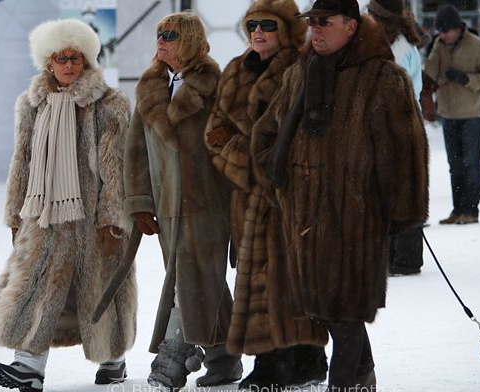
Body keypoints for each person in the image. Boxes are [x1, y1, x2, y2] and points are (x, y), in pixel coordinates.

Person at [252, 0, 429, 389]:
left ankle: (345, 382)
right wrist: (281, 180)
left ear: (351, 26)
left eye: (324, 23)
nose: (315, 30)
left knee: (345, 310)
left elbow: (406, 152)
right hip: (303, 219)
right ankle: (364, 373)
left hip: (356, 218)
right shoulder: (301, 73)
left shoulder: (383, 77)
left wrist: (402, 214)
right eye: (312, 23)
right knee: (328, 311)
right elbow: (267, 133)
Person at [0, 19, 134, 392]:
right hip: (43, 217)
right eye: (61, 57)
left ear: (87, 61)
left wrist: (112, 220)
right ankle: (28, 367)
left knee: (97, 291)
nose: (69, 64)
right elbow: (22, 161)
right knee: (37, 287)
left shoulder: (109, 103)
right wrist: (15, 215)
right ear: (48, 62)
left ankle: (113, 361)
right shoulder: (31, 103)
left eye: (77, 58)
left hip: (91, 219)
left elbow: (116, 166)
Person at [204, 0, 328, 389]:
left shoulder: (302, 69)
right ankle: (280, 360)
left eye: (267, 25)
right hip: (248, 196)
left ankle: (296, 360)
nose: (257, 32)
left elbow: (304, 139)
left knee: (290, 280)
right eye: (252, 24)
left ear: (287, 30)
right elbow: (215, 134)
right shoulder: (235, 70)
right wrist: (249, 164)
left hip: (289, 195)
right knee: (257, 280)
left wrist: (261, 160)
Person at [124, 12, 242, 391]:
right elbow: (136, 152)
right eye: (160, 33)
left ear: (190, 39)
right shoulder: (150, 86)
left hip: (210, 205)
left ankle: (170, 364)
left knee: (188, 283)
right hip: (167, 206)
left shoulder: (217, 86)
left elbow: (235, 144)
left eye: (171, 34)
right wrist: (141, 202)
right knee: (202, 282)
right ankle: (224, 359)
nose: (162, 40)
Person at [424, 5, 480, 225]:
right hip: (448, 113)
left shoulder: (478, 46)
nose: (443, 36)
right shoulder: (439, 44)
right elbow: (430, 70)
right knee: (454, 164)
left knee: (470, 163)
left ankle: (471, 211)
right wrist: (426, 82)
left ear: (457, 29)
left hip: (471, 114)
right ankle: (457, 210)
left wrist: (467, 79)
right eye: (440, 32)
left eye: (446, 31)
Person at [368, 0, 425, 276]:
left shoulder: (395, 45)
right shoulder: (401, 41)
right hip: (402, 120)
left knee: (398, 189)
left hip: (398, 122)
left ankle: (403, 258)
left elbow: (394, 88)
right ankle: (401, 256)